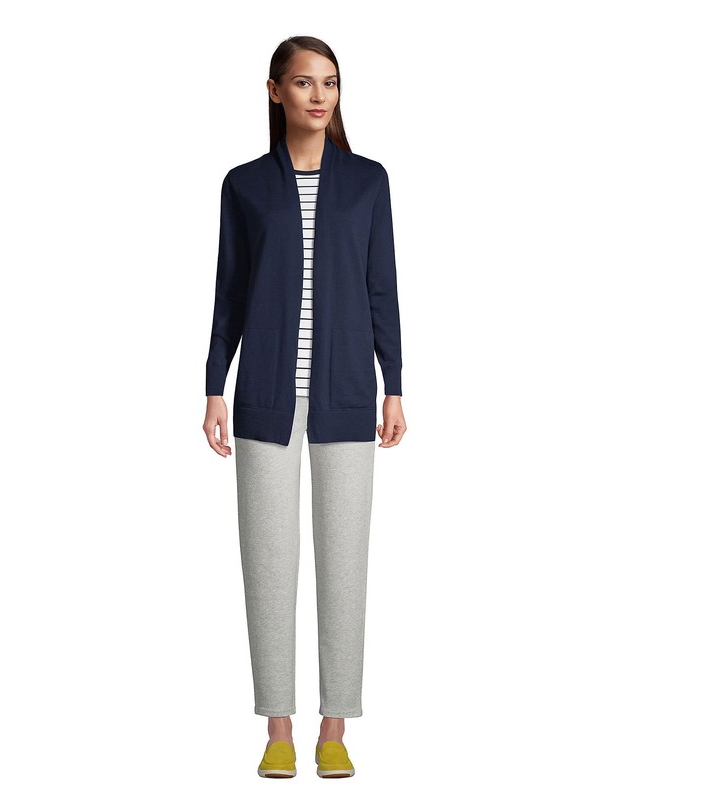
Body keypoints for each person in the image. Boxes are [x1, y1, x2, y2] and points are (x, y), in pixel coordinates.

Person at [202, 35, 407, 779]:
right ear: (274, 91)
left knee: (344, 564)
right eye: (303, 82)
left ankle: (335, 728)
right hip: (263, 398)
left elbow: (382, 286)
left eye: (330, 83)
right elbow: (229, 291)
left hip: (347, 396)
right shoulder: (245, 186)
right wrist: (214, 385)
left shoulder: (368, 182)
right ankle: (279, 727)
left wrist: (394, 383)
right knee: (268, 564)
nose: (319, 96)